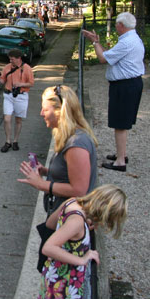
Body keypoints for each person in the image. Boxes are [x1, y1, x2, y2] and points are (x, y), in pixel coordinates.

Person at [12, 184, 127, 299]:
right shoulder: (77, 221)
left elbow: (51, 224)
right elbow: (49, 247)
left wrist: (77, 228)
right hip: (63, 282)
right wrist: (81, 259)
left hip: (53, 275)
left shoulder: (72, 202)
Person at [17, 86, 98, 222]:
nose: (41, 113)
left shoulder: (76, 144)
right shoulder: (70, 137)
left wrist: (41, 184)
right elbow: (70, 174)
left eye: (46, 109)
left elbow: (79, 190)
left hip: (70, 223)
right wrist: (46, 171)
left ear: (61, 112)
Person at [81, 12, 145, 172]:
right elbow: (109, 56)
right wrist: (97, 42)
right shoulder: (132, 38)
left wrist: (94, 43)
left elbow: (102, 59)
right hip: (130, 84)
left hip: (124, 86)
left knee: (120, 123)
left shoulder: (127, 42)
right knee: (122, 123)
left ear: (121, 25)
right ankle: (121, 154)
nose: (115, 26)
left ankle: (120, 161)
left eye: (116, 24)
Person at [0, 49, 34, 152]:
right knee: (7, 119)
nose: (10, 61)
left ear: (18, 59)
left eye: (12, 59)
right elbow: (3, 80)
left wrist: (21, 84)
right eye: (9, 59)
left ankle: (15, 141)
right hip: (8, 95)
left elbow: (31, 83)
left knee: (18, 120)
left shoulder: (27, 68)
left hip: (21, 96)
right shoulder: (7, 67)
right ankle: (8, 141)